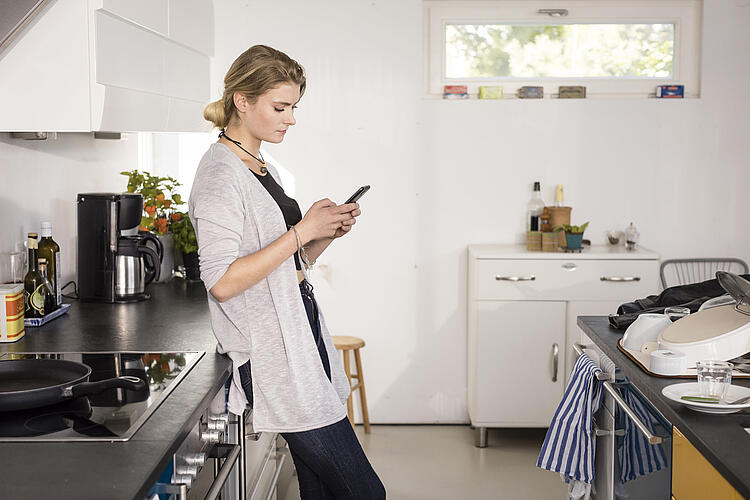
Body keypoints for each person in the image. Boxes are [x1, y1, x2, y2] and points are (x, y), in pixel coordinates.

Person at [188, 45, 385, 500]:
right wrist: (301, 231)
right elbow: (222, 283)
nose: (291, 118)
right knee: (363, 492)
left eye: (293, 107)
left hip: (297, 332)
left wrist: (323, 234)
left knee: (317, 486)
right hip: (271, 352)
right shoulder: (220, 174)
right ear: (242, 100)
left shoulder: (259, 166)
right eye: (280, 107)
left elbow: (285, 267)